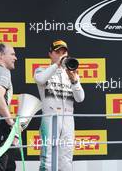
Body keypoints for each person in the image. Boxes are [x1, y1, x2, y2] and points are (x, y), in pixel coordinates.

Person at [34, 39, 85, 171]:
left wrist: (74, 81)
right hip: (50, 118)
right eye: (58, 52)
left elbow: (80, 98)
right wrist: (57, 64)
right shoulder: (41, 71)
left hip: (68, 118)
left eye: (64, 52)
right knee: (48, 157)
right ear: (50, 54)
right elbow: (40, 79)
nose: (61, 54)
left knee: (66, 157)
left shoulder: (72, 74)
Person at [0, 43, 18, 171]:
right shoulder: (2, 70)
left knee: (9, 165)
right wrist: (10, 122)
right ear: (0, 55)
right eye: (12, 54)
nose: (15, 58)